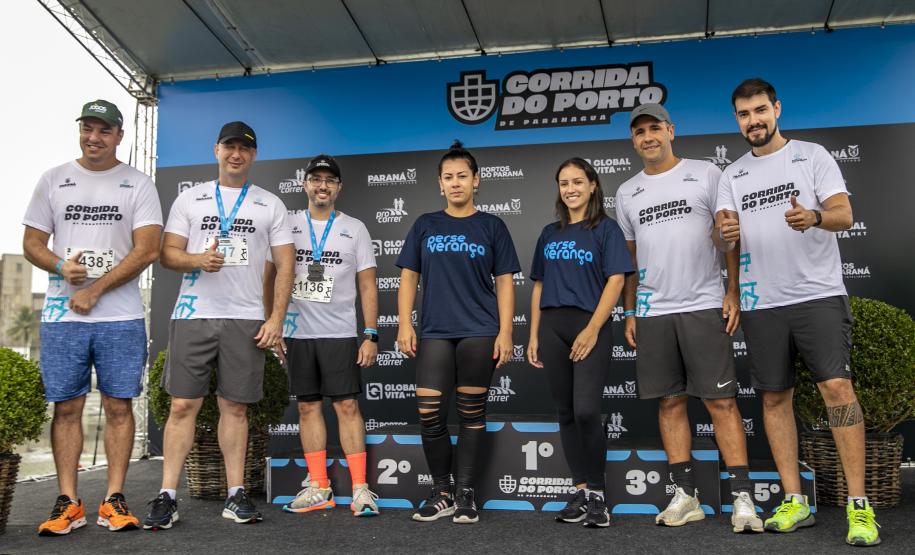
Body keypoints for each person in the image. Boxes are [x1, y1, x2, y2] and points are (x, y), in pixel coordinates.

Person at [715, 78, 880, 547]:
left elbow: (844, 215)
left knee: (836, 388)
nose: (754, 121)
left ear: (777, 109)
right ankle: (794, 500)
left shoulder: (813, 156)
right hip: (761, 302)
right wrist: (724, 242)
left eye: (761, 111)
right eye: (745, 114)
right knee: (773, 398)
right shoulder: (733, 174)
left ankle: (858, 505)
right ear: (737, 120)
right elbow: (726, 238)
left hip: (818, 296)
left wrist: (813, 217)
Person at [616, 103, 764, 533]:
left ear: (671, 131)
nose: (648, 137)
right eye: (640, 131)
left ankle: (742, 497)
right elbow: (630, 259)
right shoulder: (627, 192)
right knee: (669, 402)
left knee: (721, 403)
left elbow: (726, 236)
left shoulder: (706, 174)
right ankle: (686, 495)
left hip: (702, 305)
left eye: (655, 128)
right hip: (653, 311)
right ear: (634, 139)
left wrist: (732, 290)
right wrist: (630, 310)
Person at [143, 121, 295, 529]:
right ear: (216, 150)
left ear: (253, 155)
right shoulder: (190, 199)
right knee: (182, 405)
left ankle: (235, 494)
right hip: (192, 313)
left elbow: (286, 264)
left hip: (246, 317)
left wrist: (277, 318)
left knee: (235, 407)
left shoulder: (269, 204)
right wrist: (197, 260)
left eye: (245, 148)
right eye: (229, 146)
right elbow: (167, 254)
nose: (236, 154)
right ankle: (167, 495)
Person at [23, 100, 162, 535]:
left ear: (120, 135)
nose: (94, 137)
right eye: (88, 128)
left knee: (119, 406)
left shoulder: (137, 183)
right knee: (66, 408)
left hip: (119, 317)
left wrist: (96, 289)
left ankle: (113, 499)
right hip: (63, 317)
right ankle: (68, 501)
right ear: (80, 130)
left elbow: (148, 249)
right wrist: (61, 268)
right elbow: (31, 242)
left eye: (104, 130)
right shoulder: (53, 179)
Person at [396, 141, 520, 524]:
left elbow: (505, 283)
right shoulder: (425, 224)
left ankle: (465, 492)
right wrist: (404, 322)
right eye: (448, 177)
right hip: (434, 331)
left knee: (471, 413)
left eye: (462, 176)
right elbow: (408, 278)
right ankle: (441, 490)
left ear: (476, 180)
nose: (455, 183)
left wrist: (505, 332)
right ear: (439, 184)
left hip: (479, 331)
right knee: (430, 413)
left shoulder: (492, 225)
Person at [266, 154, 381, 516]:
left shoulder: (355, 228)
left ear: (338, 187)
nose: (322, 185)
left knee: (346, 406)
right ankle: (319, 487)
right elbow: (270, 277)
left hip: (340, 332)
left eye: (329, 180)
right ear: (305, 184)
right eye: (316, 179)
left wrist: (371, 333)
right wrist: (274, 322)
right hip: (298, 333)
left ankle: (361, 489)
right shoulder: (287, 224)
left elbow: (368, 285)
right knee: (307, 406)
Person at [526, 158, 633, 528]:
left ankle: (599, 496)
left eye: (577, 181)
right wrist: (534, 334)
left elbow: (616, 281)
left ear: (592, 185)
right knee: (566, 412)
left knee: (587, 410)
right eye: (563, 183)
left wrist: (592, 329)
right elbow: (539, 285)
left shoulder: (606, 229)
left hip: (591, 324)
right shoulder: (548, 232)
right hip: (553, 326)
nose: (570, 189)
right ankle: (581, 490)